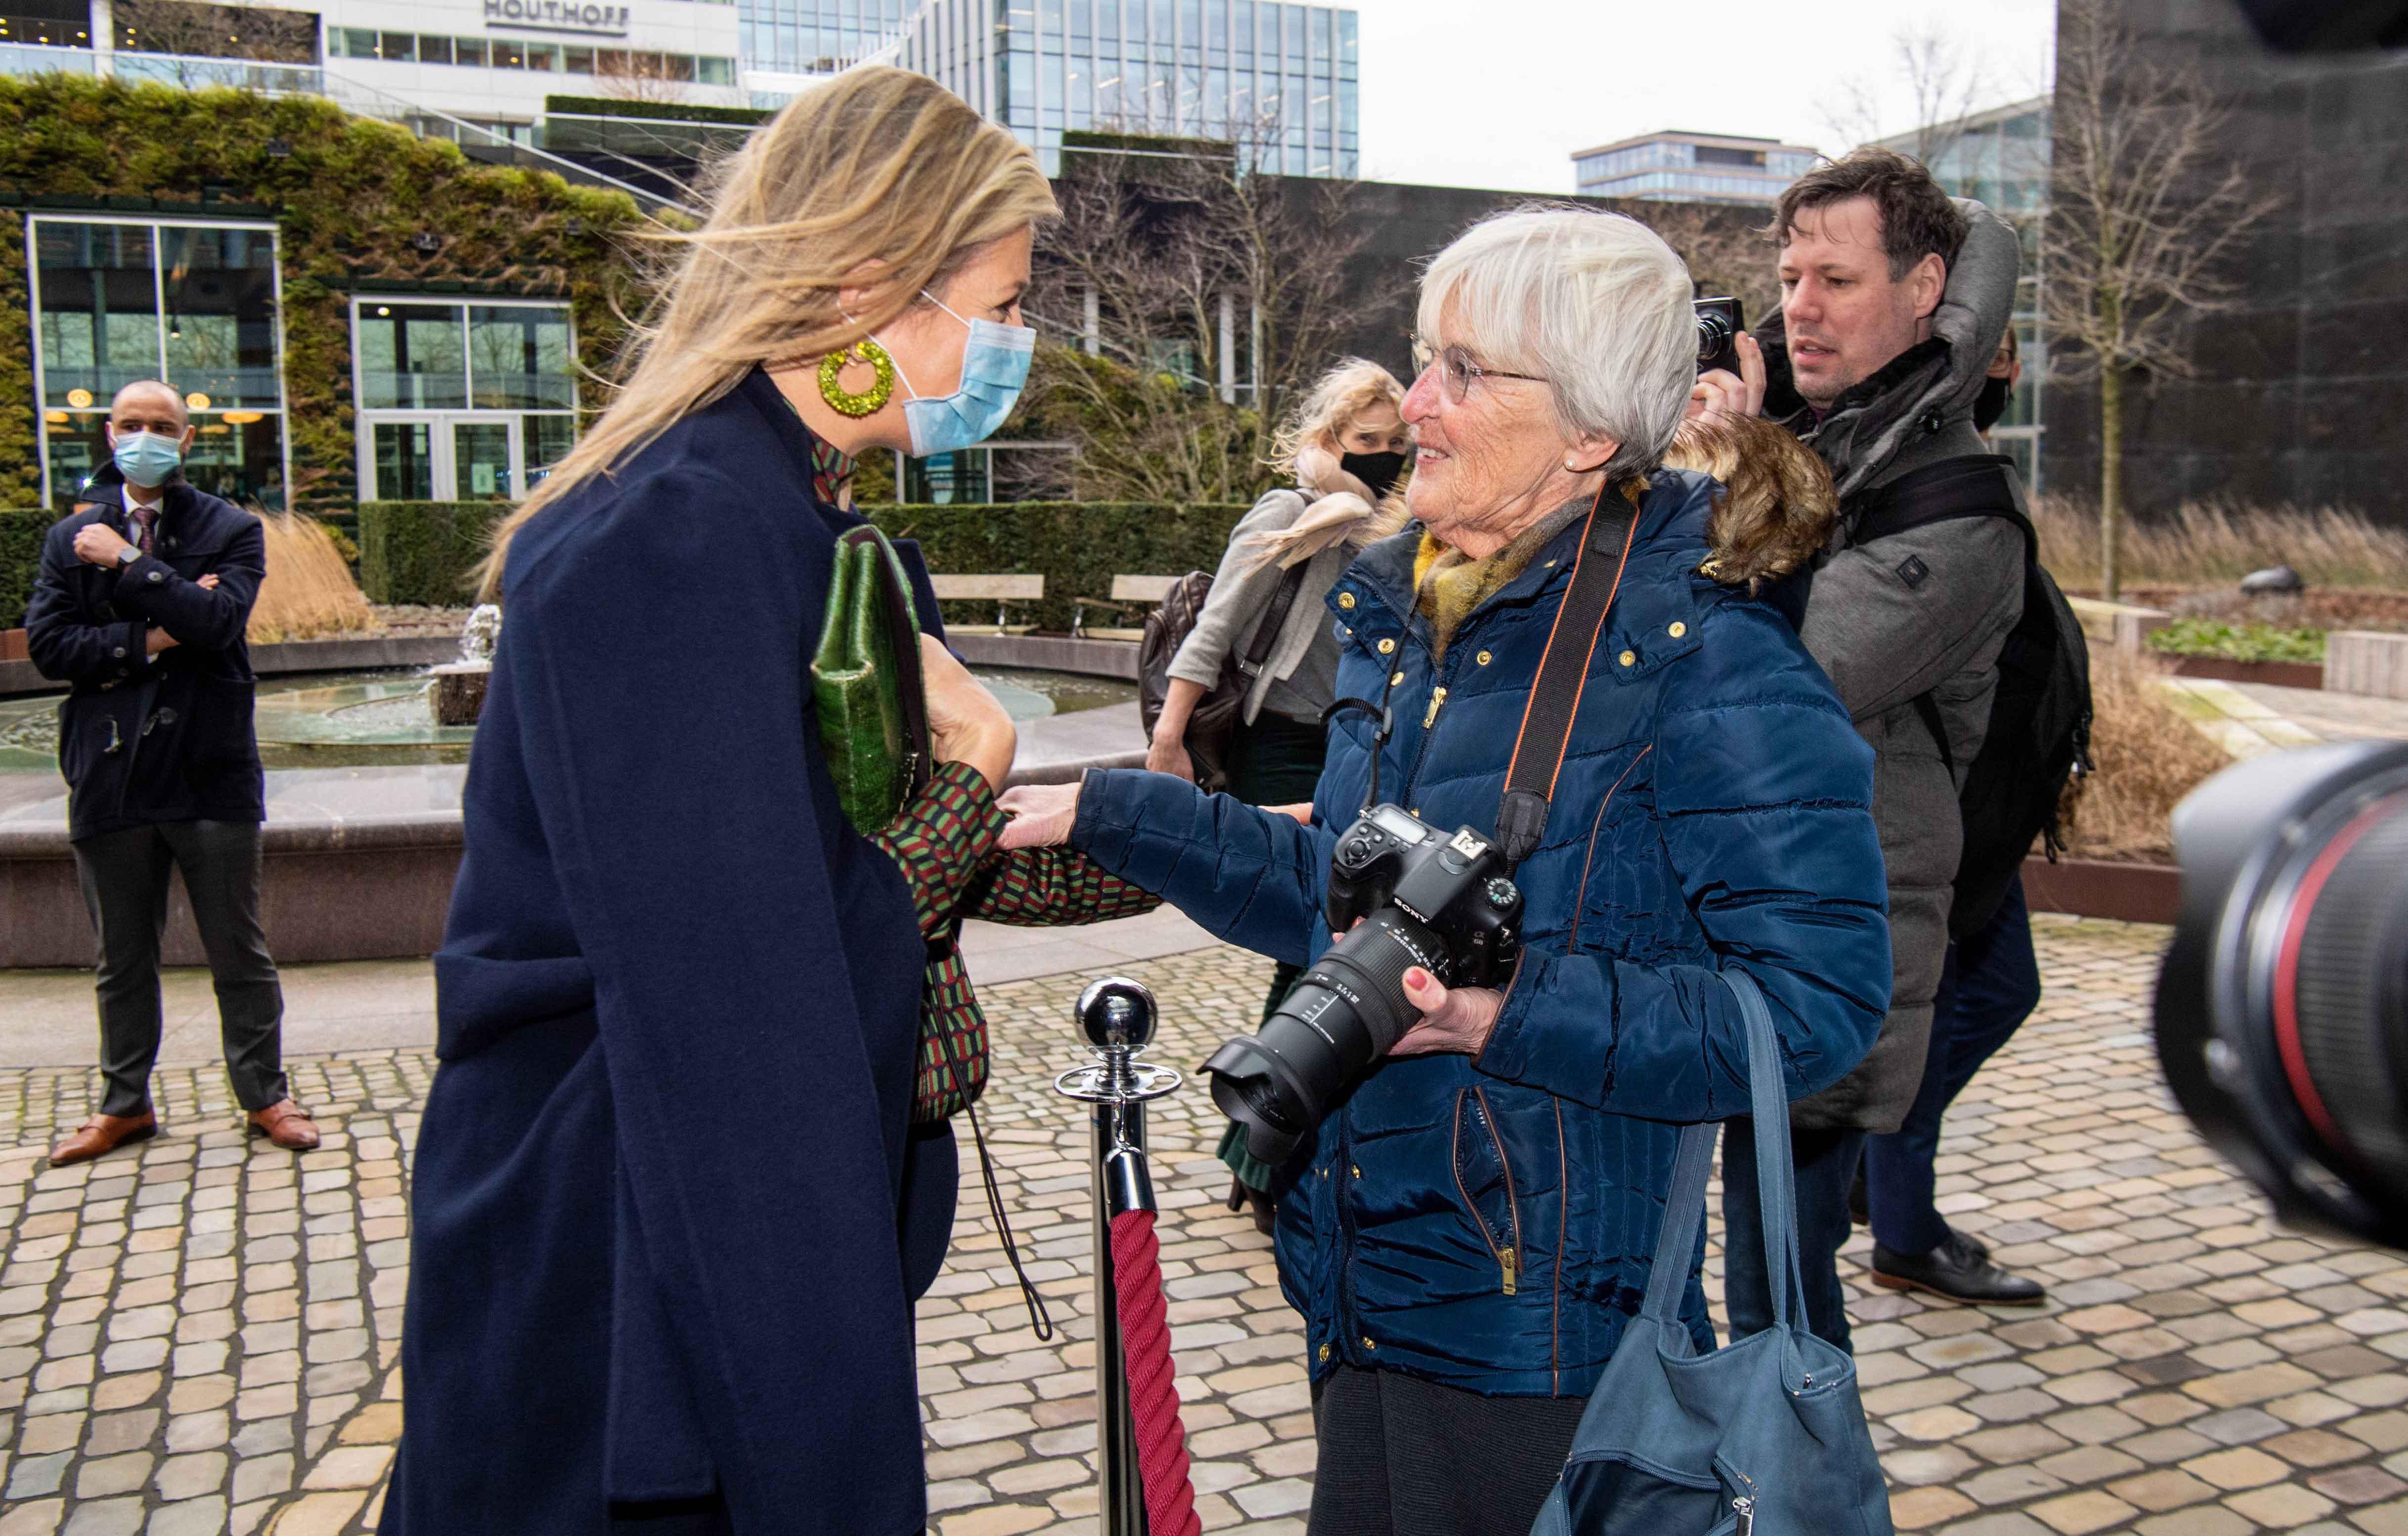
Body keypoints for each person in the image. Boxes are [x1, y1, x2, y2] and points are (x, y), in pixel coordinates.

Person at [999, 206, 1893, 1536]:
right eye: (1422, 358)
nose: (1412, 402)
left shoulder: (1711, 666)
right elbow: (1343, 904)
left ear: (1587, 434)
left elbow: (1815, 1005)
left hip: (1536, 1333)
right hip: (1363, 1277)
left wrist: (1497, 1008)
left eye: (1464, 372)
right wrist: (1108, 813)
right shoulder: (1420, 624)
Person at [384, 69, 1055, 1536]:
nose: (1016, 348)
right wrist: (967, 790)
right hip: (629, 1274)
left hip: (694, 1224)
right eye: (1000, 307)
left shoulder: (809, 522)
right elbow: (743, 1005)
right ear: (871, 283)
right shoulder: (678, 535)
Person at [1691, 146, 2035, 1342]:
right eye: (1788, 277)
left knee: (1777, 1282)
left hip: (1834, 935)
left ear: (1924, 284)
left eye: (1834, 279)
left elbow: (1772, 680)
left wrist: (1725, 466)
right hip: (1753, 906)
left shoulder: (1957, 510)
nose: (1798, 306)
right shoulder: (1837, 439)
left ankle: (1805, 1495)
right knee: (1749, 1262)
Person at [24, 379, 319, 1166]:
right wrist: (157, 634)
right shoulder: (67, 537)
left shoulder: (228, 528)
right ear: (108, 432)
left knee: (239, 948)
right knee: (121, 956)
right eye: (131, 424)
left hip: (208, 766)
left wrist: (125, 562)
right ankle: (125, 1105)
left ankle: (265, 1093)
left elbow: (221, 623)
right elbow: (51, 648)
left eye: (163, 425)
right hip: (111, 772)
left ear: (189, 439)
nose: (145, 436)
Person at [1145, 357, 1411, 1227]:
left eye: (1395, 443)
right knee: (1318, 940)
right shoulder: (1292, 513)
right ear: (1328, 440)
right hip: (1283, 747)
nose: (1382, 457)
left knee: (1327, 945)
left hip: (1356, 741)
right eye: (1366, 442)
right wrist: (1168, 735)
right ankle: (1265, 1154)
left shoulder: (1396, 525)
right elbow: (1214, 626)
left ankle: (1260, 1150)